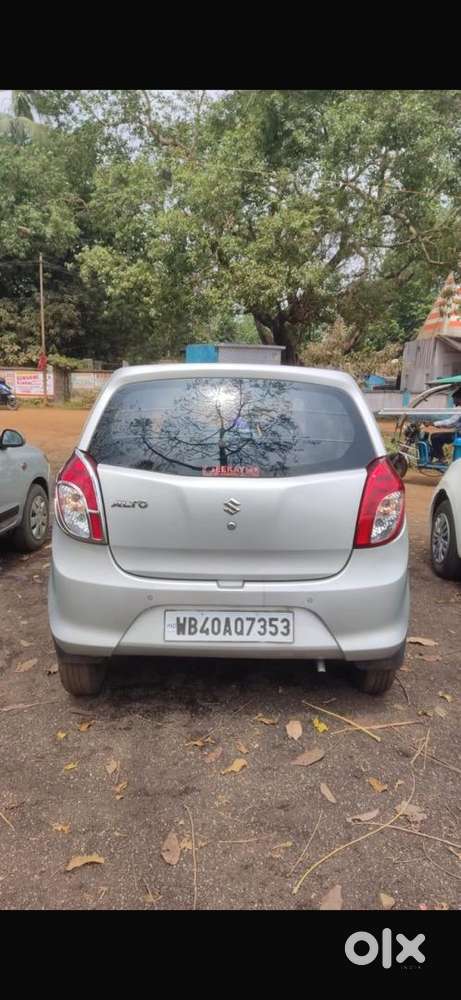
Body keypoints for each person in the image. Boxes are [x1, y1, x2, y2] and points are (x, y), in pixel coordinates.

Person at [430, 389, 461, 462]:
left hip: (458, 435)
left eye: (455, 399)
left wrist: (434, 423)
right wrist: (437, 425)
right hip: (457, 433)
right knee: (437, 436)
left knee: (435, 437)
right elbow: (453, 424)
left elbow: (451, 422)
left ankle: (441, 458)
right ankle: (437, 454)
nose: (454, 402)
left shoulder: (460, 409)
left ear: (459, 399)